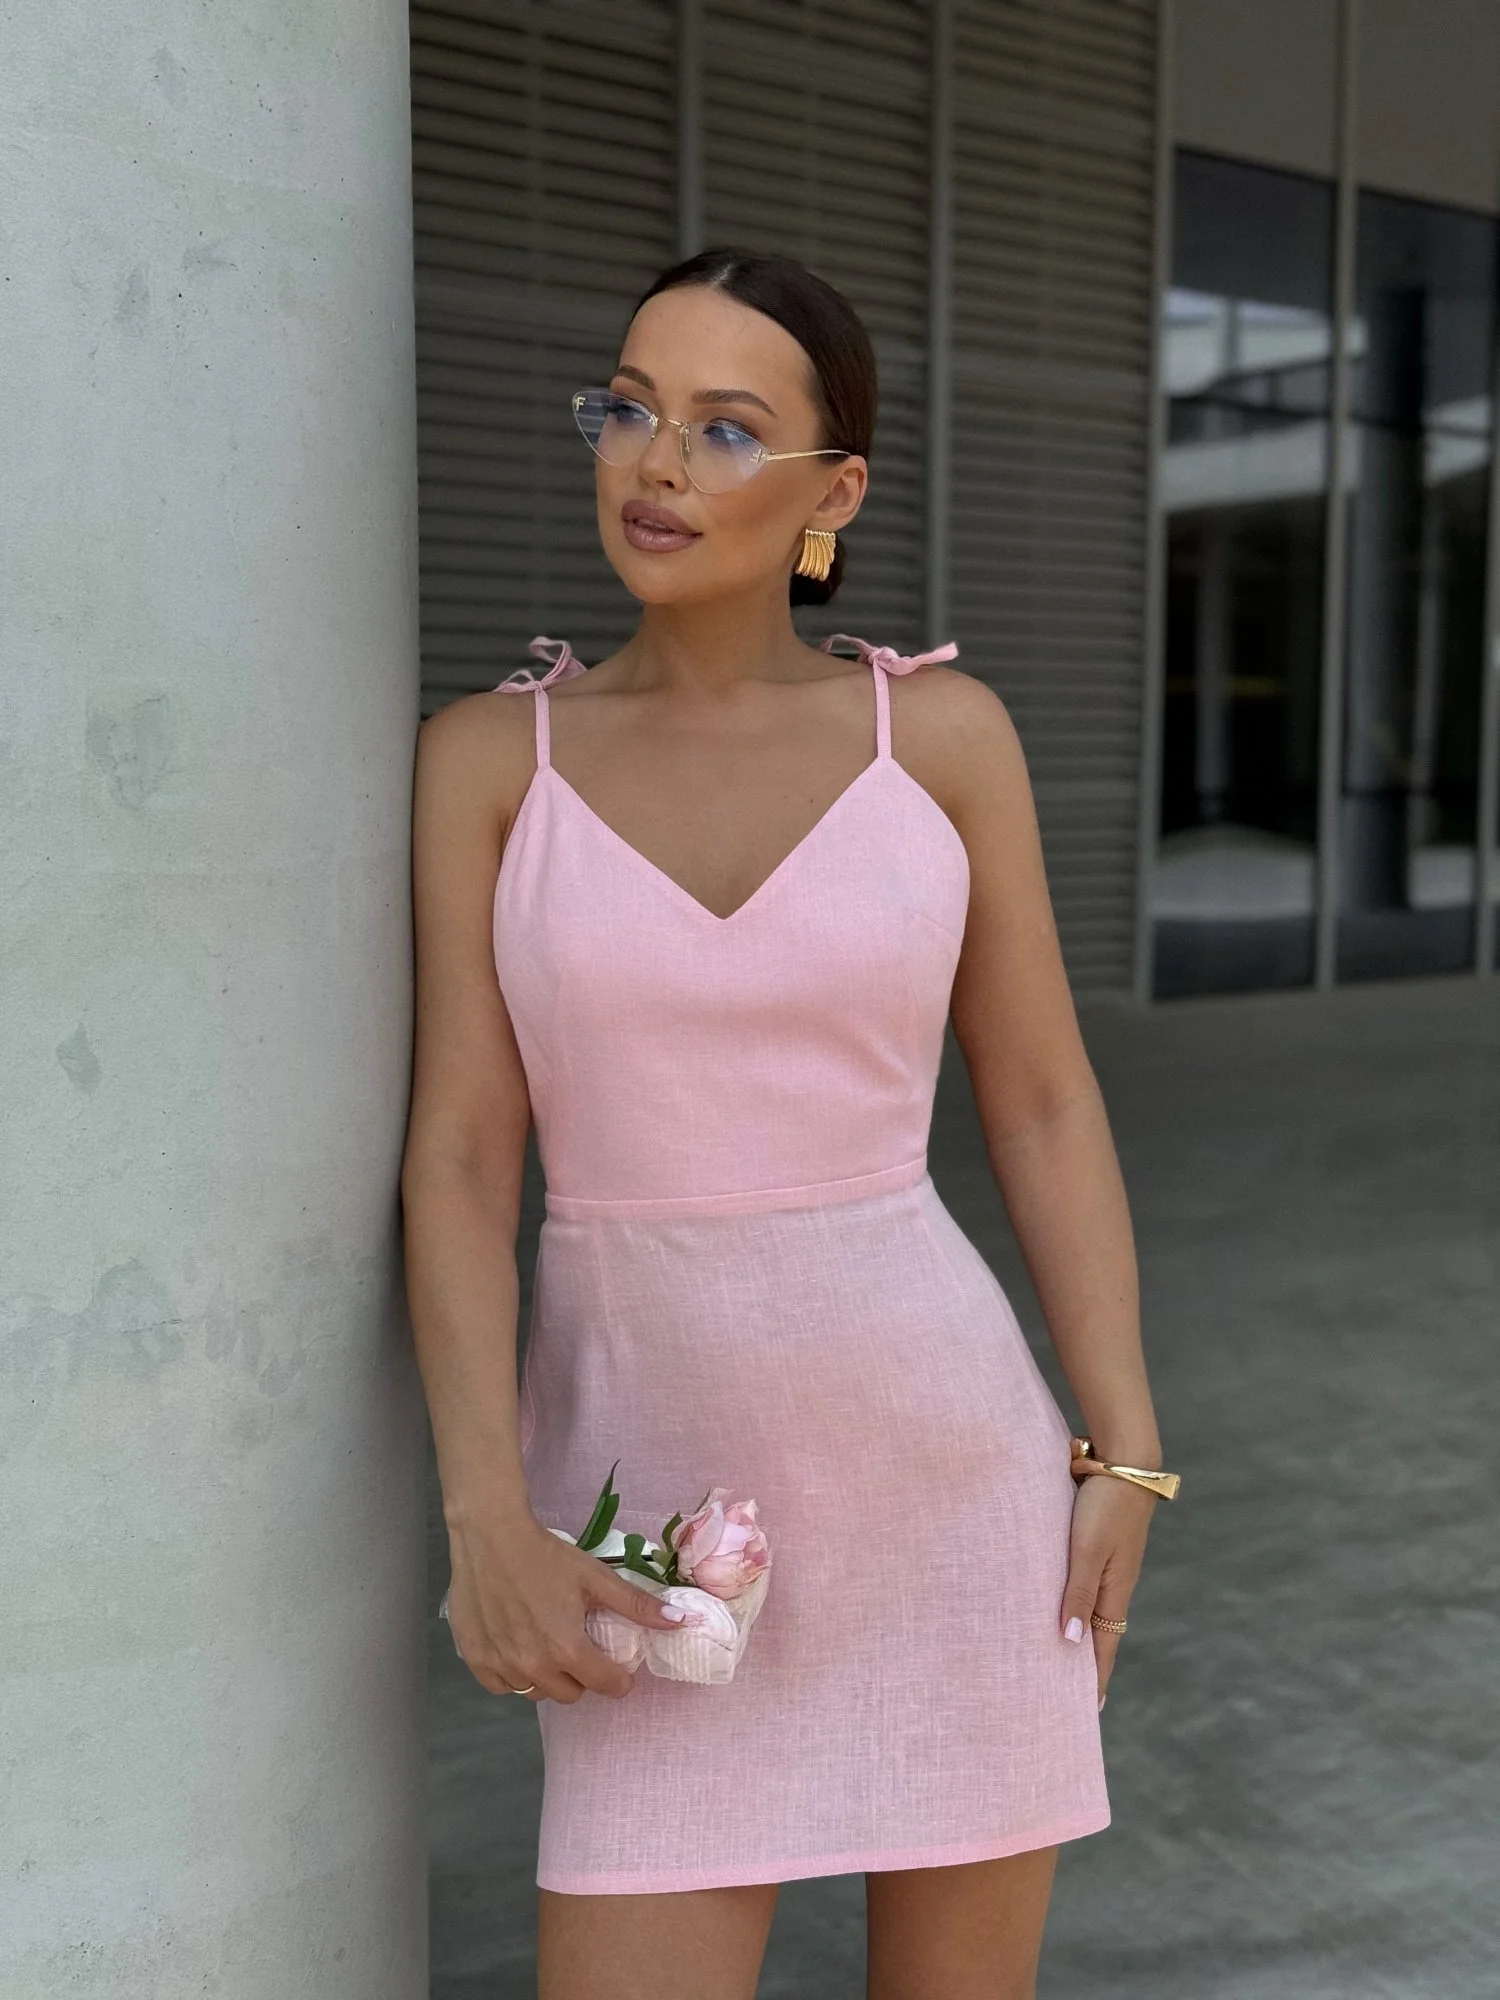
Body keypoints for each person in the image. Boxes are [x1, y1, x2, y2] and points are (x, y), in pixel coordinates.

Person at [400, 246, 1177, 2000]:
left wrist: (1126, 1446)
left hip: (946, 1481)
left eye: (727, 429)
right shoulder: (490, 762)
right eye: (630, 410)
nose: (657, 463)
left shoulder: (943, 739)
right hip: (648, 1510)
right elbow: (459, 1159)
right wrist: (483, 1516)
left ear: (836, 493)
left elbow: (1044, 1100)